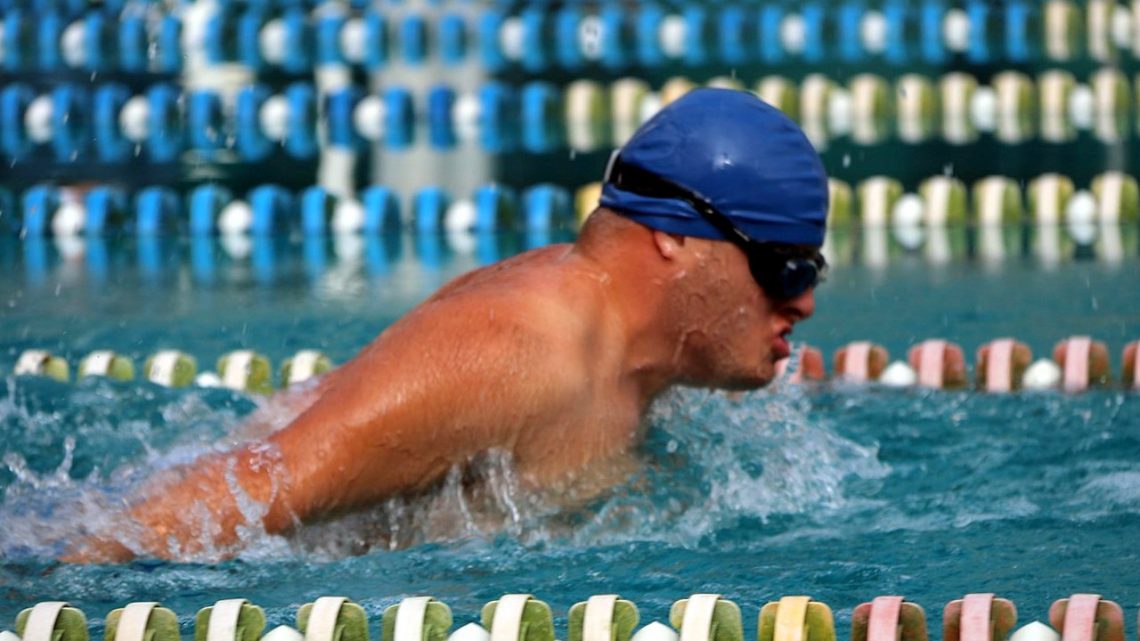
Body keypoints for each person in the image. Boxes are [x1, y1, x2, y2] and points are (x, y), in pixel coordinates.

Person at [67, 88, 829, 562]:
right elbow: (256, 484)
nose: (803, 304)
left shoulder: (635, 348)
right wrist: (59, 594)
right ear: (676, 238)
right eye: (785, 269)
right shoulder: (522, 352)